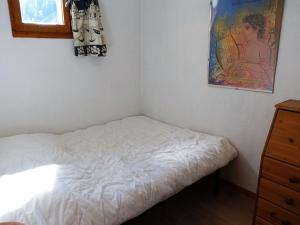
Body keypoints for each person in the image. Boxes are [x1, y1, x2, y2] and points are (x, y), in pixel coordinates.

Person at [217, 14, 273, 90]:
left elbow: (265, 71)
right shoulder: (243, 47)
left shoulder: (264, 47)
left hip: (256, 84)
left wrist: (245, 65)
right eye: (242, 28)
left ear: (256, 29)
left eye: (247, 28)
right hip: (241, 81)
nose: (242, 31)